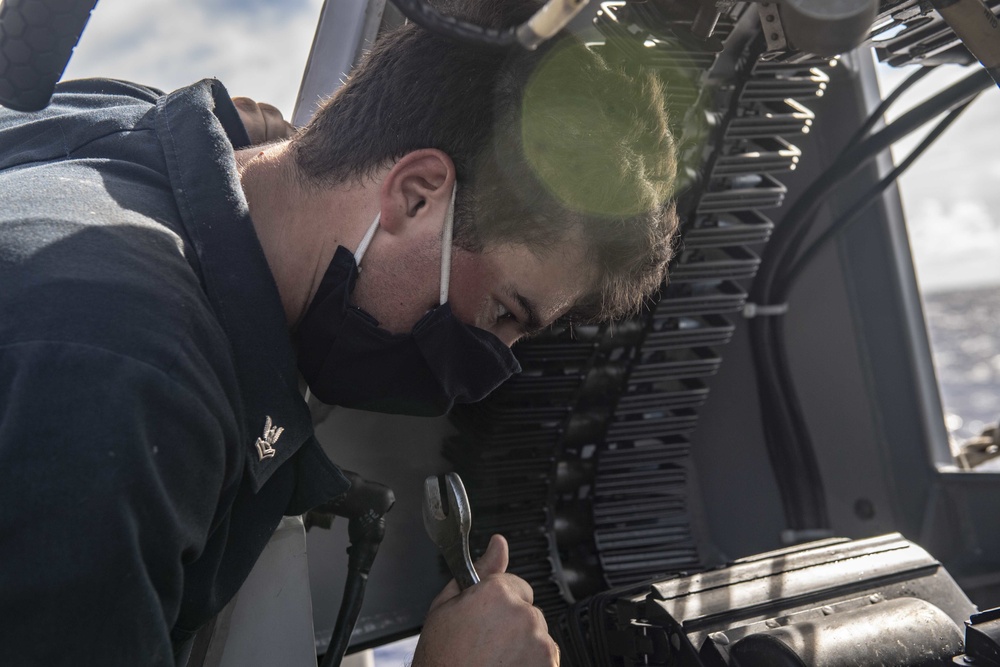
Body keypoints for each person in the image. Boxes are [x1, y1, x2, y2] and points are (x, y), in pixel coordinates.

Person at [0, 0, 678, 664]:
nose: (494, 357)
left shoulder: (119, 121)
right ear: (415, 194)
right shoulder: (131, 381)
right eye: (506, 310)